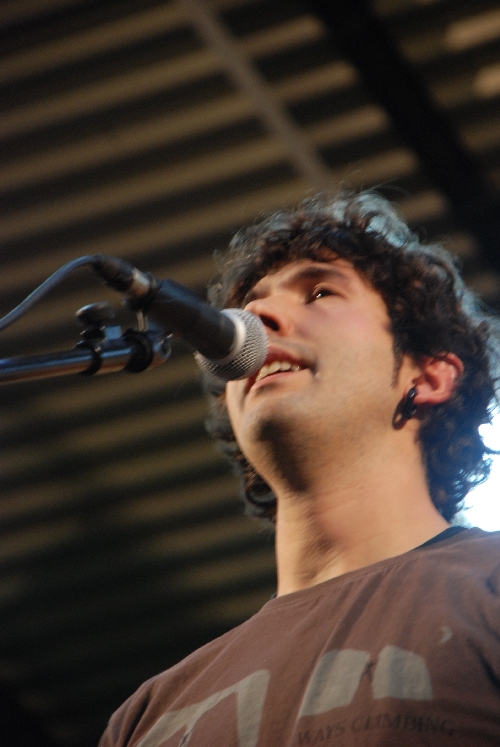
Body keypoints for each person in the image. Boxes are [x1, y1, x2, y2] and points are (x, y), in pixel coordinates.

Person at [100, 192, 500, 747]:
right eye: (251, 306)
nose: (254, 319)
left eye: (319, 292)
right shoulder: (148, 716)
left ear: (429, 377)